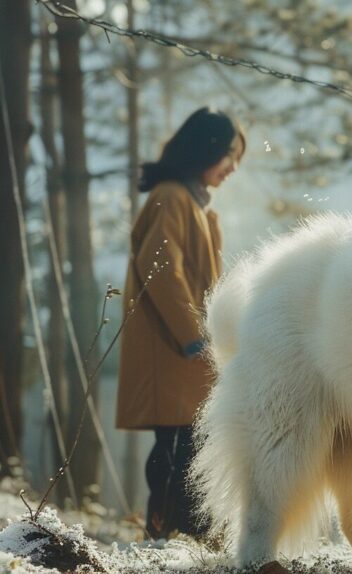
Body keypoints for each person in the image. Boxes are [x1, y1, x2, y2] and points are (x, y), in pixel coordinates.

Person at [115, 107, 245, 540]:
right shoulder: (172, 197)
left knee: (191, 450)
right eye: (229, 155)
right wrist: (193, 339)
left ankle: (189, 540)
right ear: (206, 149)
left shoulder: (195, 205)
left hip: (188, 355)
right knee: (175, 454)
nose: (233, 168)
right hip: (172, 353)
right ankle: (166, 541)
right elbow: (161, 271)